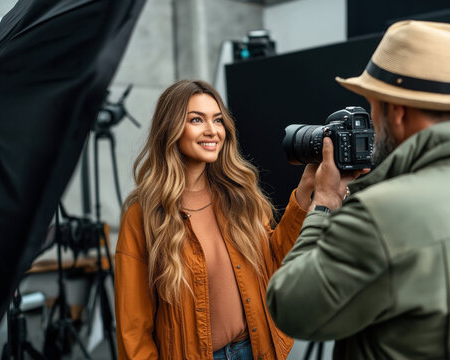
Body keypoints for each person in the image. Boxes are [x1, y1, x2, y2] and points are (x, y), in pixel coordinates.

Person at [266, 20, 450, 359]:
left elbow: (290, 306)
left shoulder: (382, 214)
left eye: (373, 106)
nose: (370, 122)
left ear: (398, 112)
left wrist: (325, 203)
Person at [114, 80, 325, 359]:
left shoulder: (240, 198)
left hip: (254, 350)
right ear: (171, 129)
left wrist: (306, 190)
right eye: (196, 120)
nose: (212, 130)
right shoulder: (143, 217)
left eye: (217, 120)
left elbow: (275, 264)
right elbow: (133, 331)